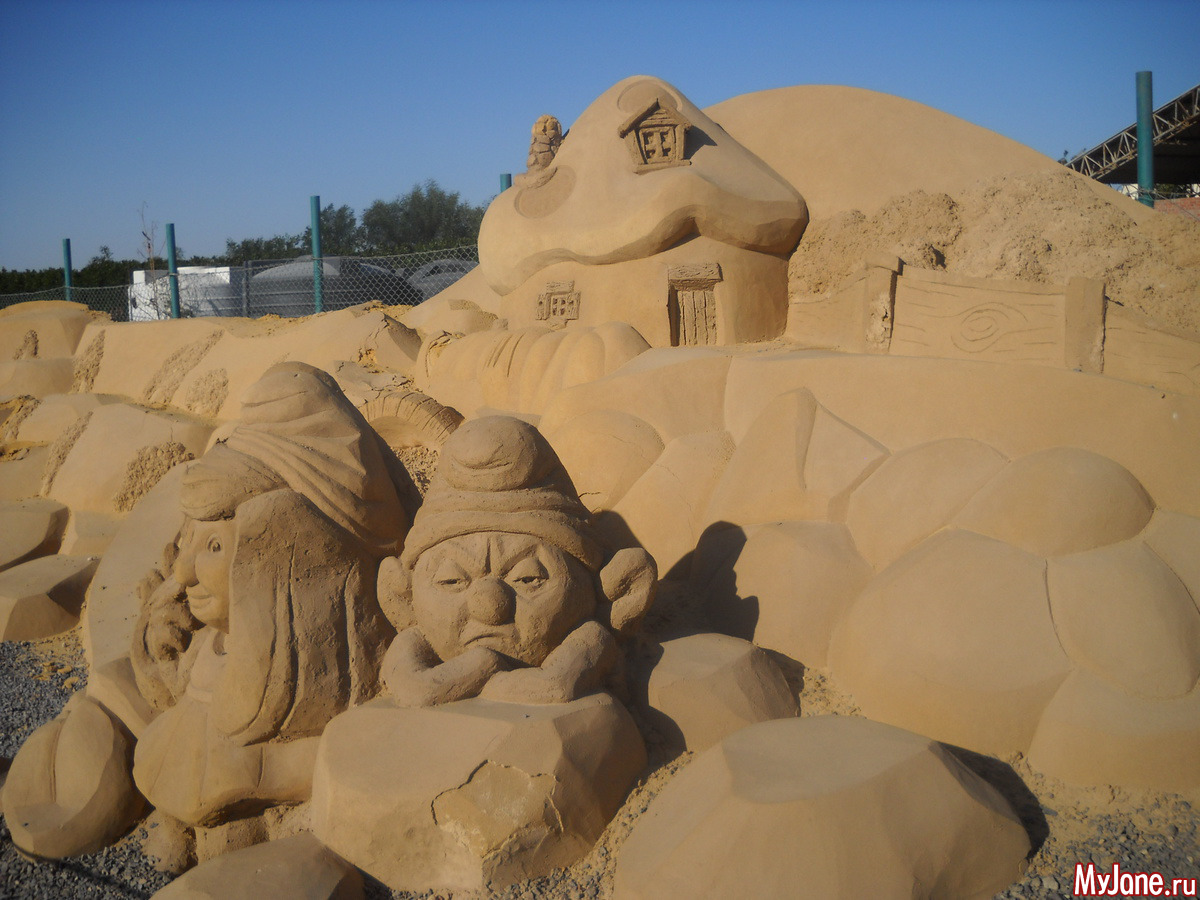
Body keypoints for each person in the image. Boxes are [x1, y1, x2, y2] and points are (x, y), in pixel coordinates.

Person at [378, 414, 656, 707]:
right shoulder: (412, 631)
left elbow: (556, 684)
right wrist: (482, 664)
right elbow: (413, 685)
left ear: (619, 595)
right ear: (401, 598)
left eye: (527, 579)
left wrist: (480, 673)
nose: (489, 607)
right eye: (451, 581)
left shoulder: (594, 633)